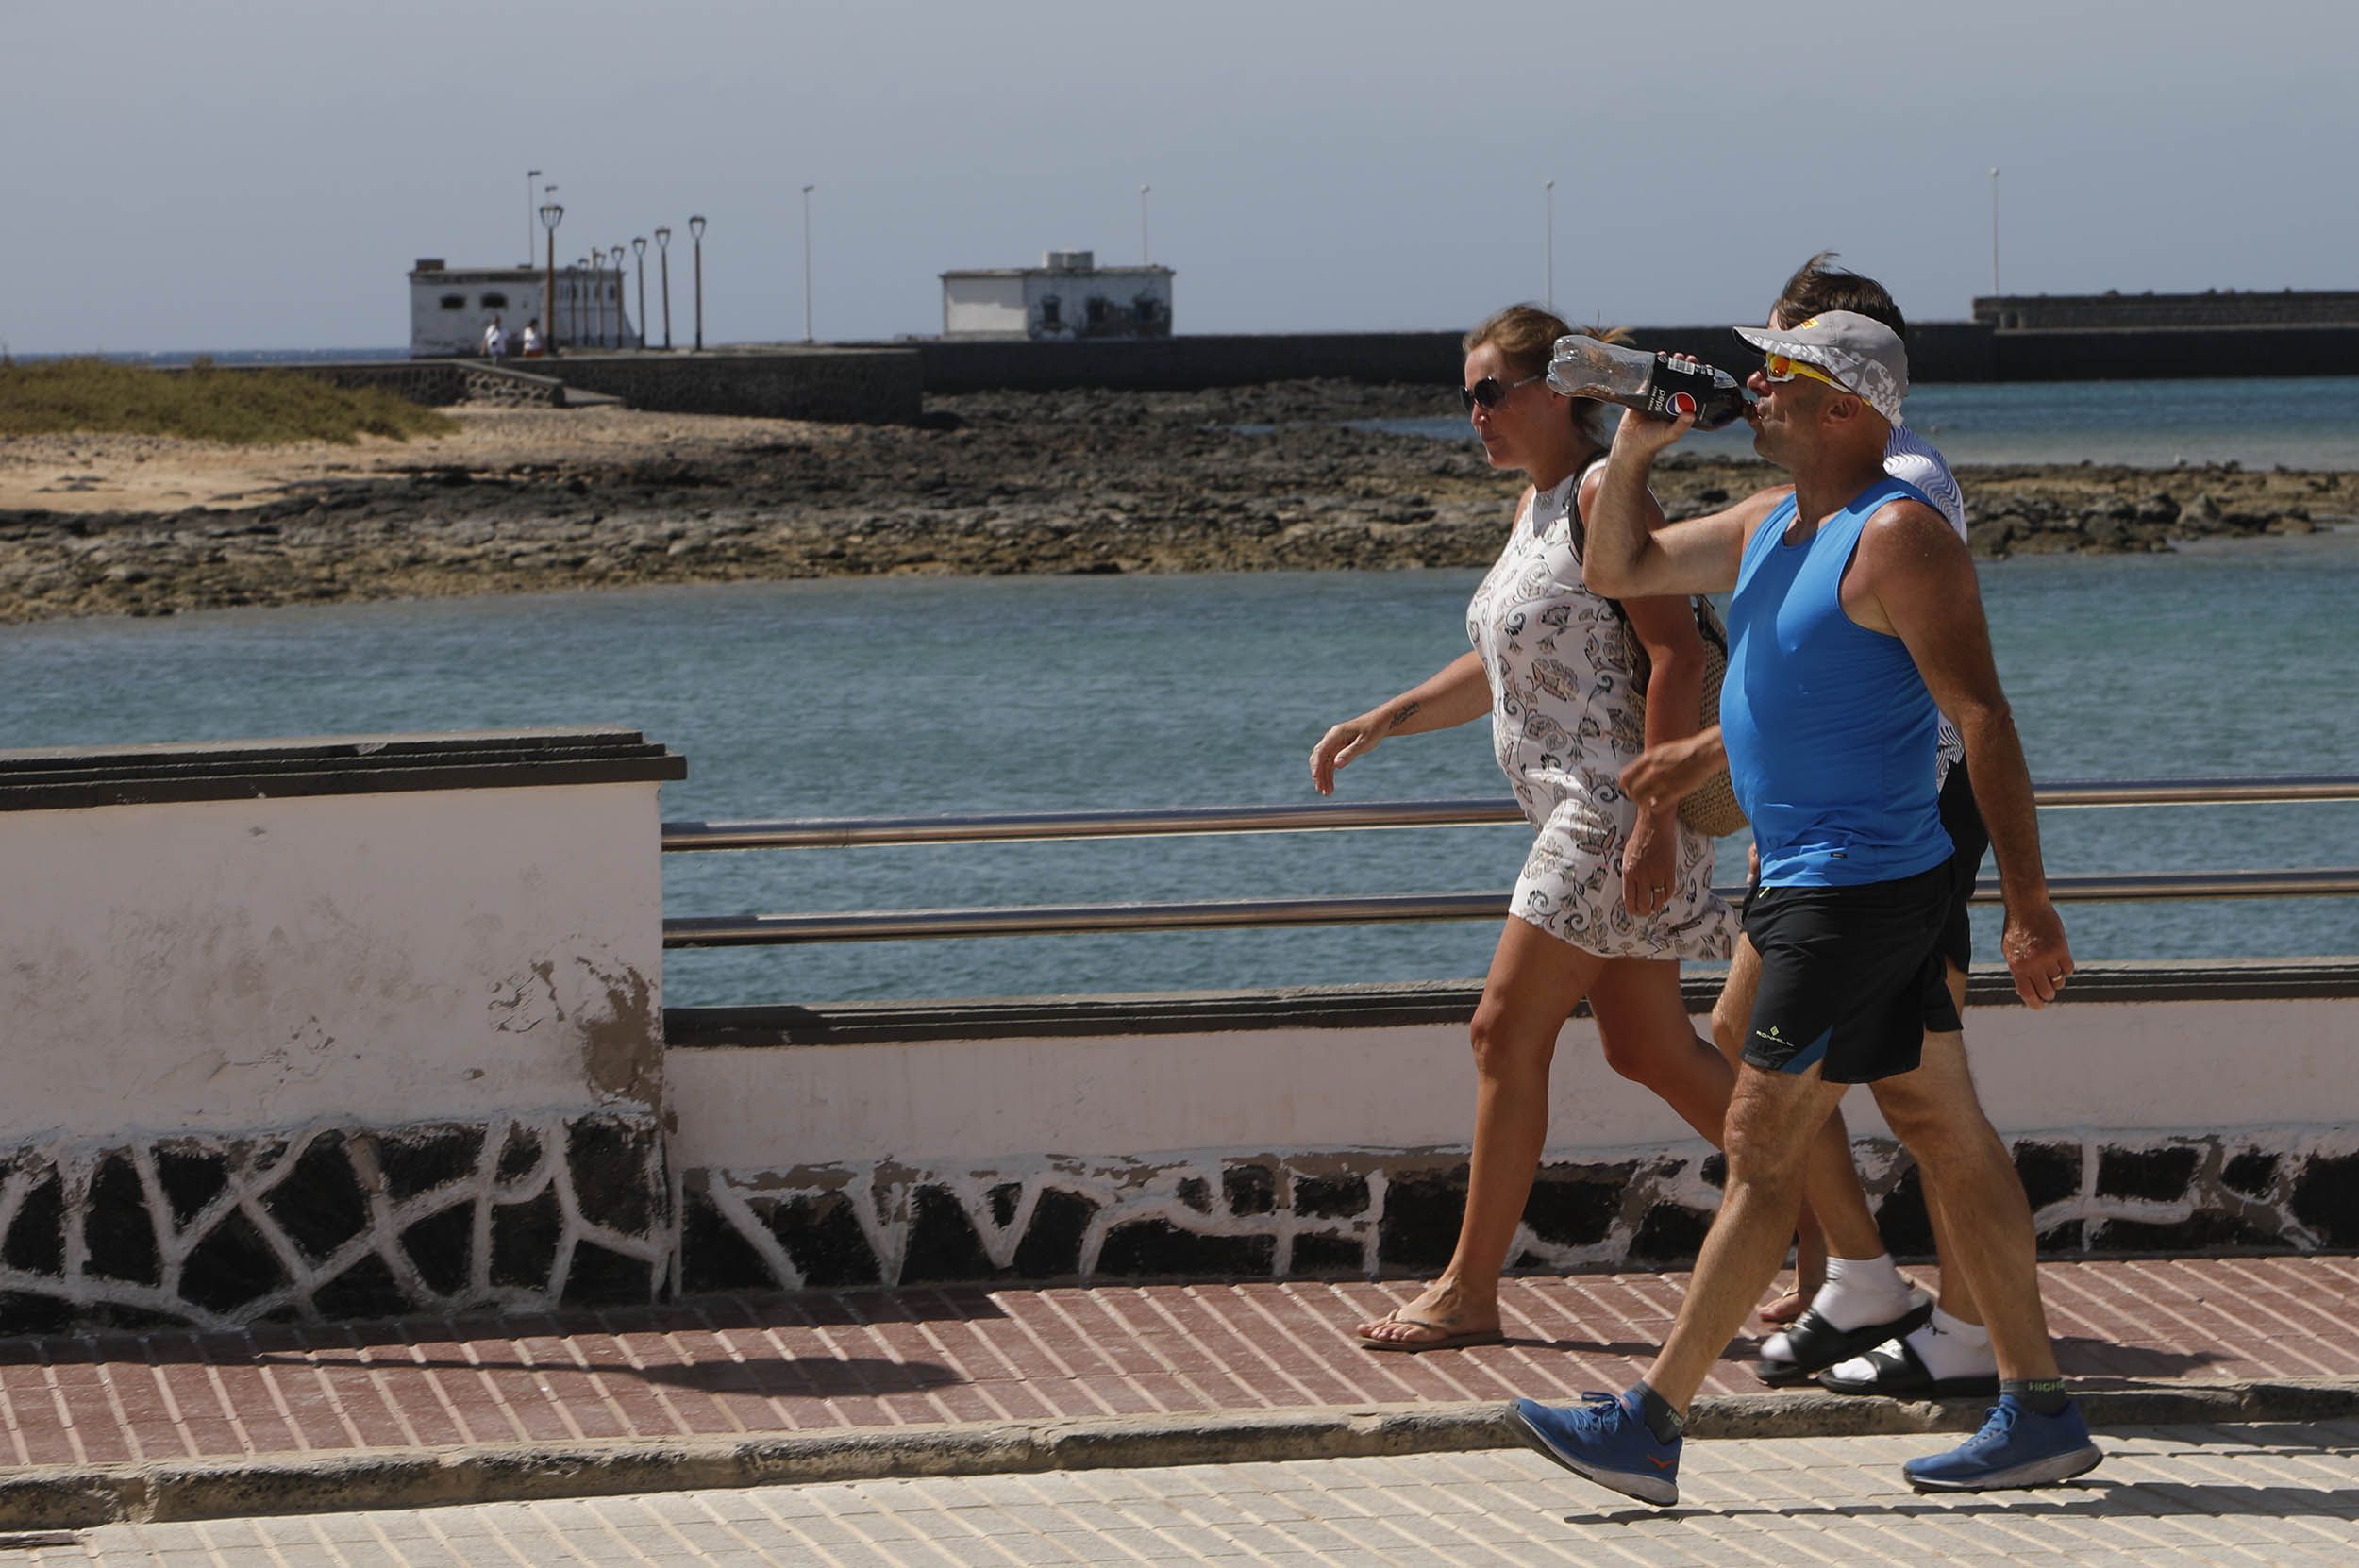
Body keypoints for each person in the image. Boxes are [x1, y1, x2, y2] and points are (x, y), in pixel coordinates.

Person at [1508, 309, 2099, 1500]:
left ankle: (1650, 1423)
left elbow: (1982, 720)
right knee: (1941, 1128)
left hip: (1858, 891)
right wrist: (1630, 450)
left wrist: (2028, 904)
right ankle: (2038, 1411)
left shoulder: (1898, 537)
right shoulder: (1774, 525)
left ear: (1847, 409)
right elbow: (1618, 569)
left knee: (1759, 1143)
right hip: (1817, 885)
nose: (1754, 390)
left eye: (1780, 377)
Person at [1311, 304, 1737, 1353]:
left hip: (1607, 814)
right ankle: (1833, 1236)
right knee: (1648, 1049)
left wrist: (1648, 819)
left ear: (1561, 392)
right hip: (1581, 813)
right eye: (1468, 396)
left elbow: (1676, 654)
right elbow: (1508, 663)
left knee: (1502, 1029)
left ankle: (1468, 1287)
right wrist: (1390, 715)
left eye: (1493, 391)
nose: (1476, 414)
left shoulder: (1602, 493)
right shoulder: (1536, 508)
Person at [1621, 256, 2003, 1399]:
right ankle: (1884, 1288)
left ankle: (1964, 1330)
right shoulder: (1802, 501)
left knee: (1918, 1107)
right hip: (1824, 828)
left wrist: (1712, 753)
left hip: (1904, 814)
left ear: (1847, 375)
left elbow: (1886, 665)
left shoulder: (1906, 490)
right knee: (1907, 1092)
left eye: (1783, 352)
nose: (1759, 376)